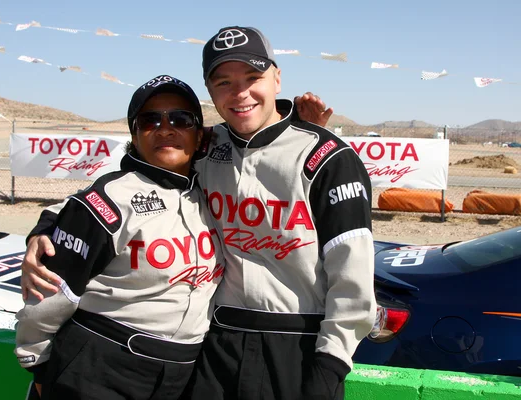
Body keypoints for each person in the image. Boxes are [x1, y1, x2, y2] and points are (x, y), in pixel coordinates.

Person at [20, 27, 365, 399]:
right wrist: (47, 226)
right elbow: (117, 191)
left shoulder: (327, 158)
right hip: (215, 349)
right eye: (224, 82)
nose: (240, 92)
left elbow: (353, 279)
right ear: (210, 91)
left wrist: (331, 367)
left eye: (253, 78)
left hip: (296, 345)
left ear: (277, 77)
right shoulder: (206, 146)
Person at [14, 75, 226, 400]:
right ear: (135, 135)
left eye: (181, 119)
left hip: (183, 373)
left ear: (199, 137)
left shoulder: (212, 191)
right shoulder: (111, 198)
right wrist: (38, 365)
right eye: (149, 119)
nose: (165, 128)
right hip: (100, 366)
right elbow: (47, 299)